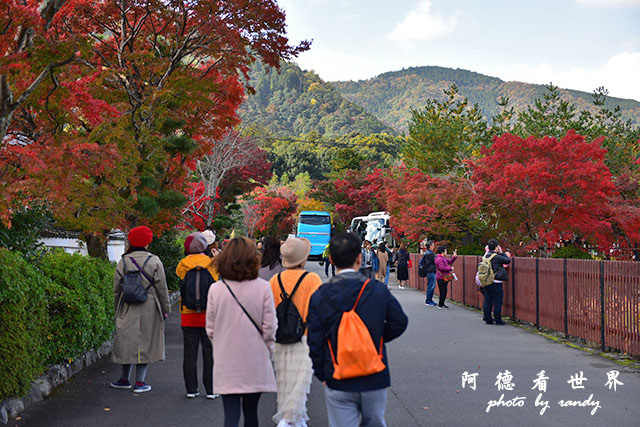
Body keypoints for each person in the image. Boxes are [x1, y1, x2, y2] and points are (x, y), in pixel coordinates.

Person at [307, 232, 408, 427]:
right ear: (359, 258)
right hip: (374, 373)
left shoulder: (321, 295)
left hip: (337, 374)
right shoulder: (377, 290)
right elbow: (399, 322)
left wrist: (322, 373)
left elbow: (314, 339)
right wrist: (375, 338)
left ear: (331, 259)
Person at [206, 237, 277, 427]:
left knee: (230, 414)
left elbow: (210, 329)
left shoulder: (216, 289)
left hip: (226, 358)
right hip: (255, 358)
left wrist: (221, 345)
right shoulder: (263, 288)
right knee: (251, 412)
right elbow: (270, 327)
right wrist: (268, 350)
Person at [269, 237, 322, 427]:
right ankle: (288, 419)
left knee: (285, 379)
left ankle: (295, 418)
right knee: (301, 380)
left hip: (280, 336)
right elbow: (319, 311)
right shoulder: (312, 279)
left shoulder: (275, 280)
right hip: (305, 336)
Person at [111, 226, 170, 393]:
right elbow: (162, 288)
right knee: (146, 341)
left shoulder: (124, 261)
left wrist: (117, 308)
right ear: (148, 242)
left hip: (128, 305)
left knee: (127, 341)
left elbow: (117, 289)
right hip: (150, 305)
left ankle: (124, 379)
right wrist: (165, 309)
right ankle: (140, 382)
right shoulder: (154, 261)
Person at [176, 232, 218, 399]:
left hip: (188, 315)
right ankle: (211, 389)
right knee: (210, 353)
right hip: (209, 315)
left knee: (189, 353)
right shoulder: (212, 264)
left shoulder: (182, 264)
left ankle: (191, 389)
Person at [483, 239, 511, 325]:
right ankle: (498, 319)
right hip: (496, 282)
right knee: (497, 302)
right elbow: (507, 260)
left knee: (488, 301)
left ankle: (488, 319)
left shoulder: (486, 256)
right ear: (496, 247)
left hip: (487, 281)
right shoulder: (496, 257)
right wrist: (502, 252)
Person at [422, 240, 437, 306]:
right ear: (430, 246)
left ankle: (429, 300)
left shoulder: (427, 253)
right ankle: (428, 300)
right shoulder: (430, 254)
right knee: (431, 286)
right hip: (431, 270)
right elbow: (435, 261)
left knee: (430, 285)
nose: (434, 246)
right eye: (433, 245)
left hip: (428, 270)